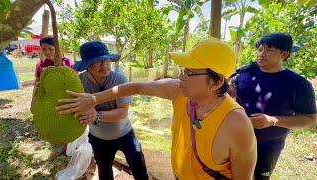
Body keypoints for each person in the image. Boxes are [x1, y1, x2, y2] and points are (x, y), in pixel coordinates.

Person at [56, 38, 257, 180]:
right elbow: (134, 87)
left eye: (189, 72)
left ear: (216, 82)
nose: (181, 77)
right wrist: (93, 99)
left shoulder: (237, 124)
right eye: (182, 70)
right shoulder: (178, 92)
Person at [231, 33, 317, 179]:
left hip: (267, 148)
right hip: (234, 139)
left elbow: (311, 120)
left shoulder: (298, 84)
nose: (261, 54)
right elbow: (232, 97)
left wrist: (272, 120)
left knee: (260, 177)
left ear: (284, 54)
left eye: (269, 50)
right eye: (260, 49)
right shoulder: (245, 73)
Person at [73, 41, 149, 180]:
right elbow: (73, 107)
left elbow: (122, 112)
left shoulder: (119, 79)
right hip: (98, 138)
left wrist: (96, 115)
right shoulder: (79, 82)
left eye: (106, 59)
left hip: (125, 134)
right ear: (87, 65)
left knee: (139, 168)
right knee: (104, 171)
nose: (105, 64)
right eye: (98, 61)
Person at [30, 35, 75, 157]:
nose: (47, 52)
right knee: (56, 121)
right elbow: (37, 83)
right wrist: (33, 101)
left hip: (65, 98)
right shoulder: (41, 64)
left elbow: (74, 82)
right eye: (44, 49)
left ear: (57, 48)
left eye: (50, 48)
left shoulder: (67, 62)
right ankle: (61, 144)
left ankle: (67, 146)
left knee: (66, 121)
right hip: (49, 100)